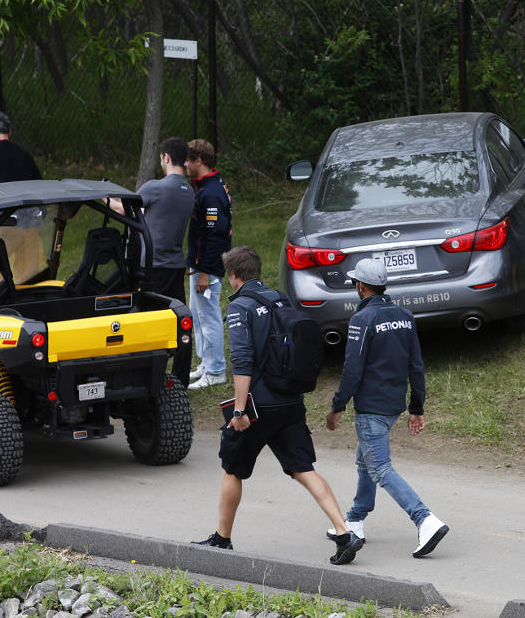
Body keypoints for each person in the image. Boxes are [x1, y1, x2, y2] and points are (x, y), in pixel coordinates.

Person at [193, 246, 364, 566]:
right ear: (257, 271)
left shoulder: (241, 308)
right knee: (304, 469)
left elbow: (242, 362)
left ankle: (221, 538)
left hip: (258, 406)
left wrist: (240, 412)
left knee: (232, 468)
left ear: (233, 276)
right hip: (291, 401)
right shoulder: (282, 300)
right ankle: (344, 533)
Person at [325, 258, 449, 559]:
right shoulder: (405, 316)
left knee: (380, 468)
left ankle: (425, 520)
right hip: (394, 405)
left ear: (361, 286)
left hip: (371, 408)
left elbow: (352, 369)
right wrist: (416, 407)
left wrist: (337, 406)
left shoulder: (362, 320)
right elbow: (416, 366)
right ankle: (355, 519)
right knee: (365, 460)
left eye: (356, 282)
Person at [110, 137, 194, 303]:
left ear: (167, 157)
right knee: (175, 314)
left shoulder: (155, 187)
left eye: (161, 158)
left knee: (153, 313)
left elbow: (126, 211)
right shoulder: (189, 191)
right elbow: (144, 211)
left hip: (154, 265)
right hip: (176, 264)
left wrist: (104, 198)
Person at [184, 139, 232, 390]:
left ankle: (216, 371)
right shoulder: (207, 186)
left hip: (208, 269)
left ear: (198, 161)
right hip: (199, 265)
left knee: (208, 316)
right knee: (199, 315)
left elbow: (215, 236)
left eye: (188, 160)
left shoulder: (211, 193)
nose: (185, 165)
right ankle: (206, 362)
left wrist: (204, 271)